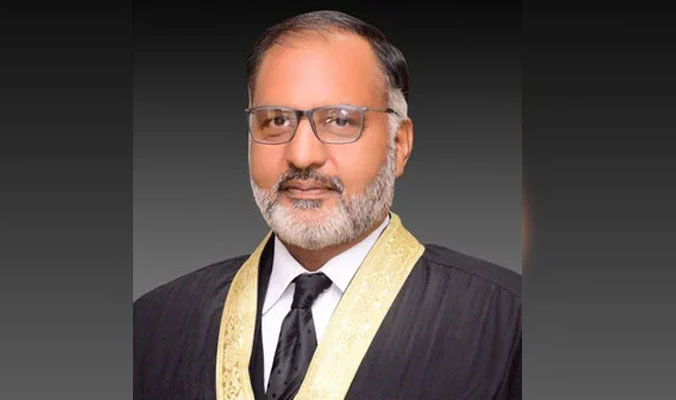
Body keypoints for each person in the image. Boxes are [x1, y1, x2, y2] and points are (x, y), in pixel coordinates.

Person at [134, 10, 521, 400]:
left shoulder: (505, 323)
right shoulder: (155, 324)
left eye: (339, 121)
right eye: (276, 121)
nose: (302, 155)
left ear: (399, 144)